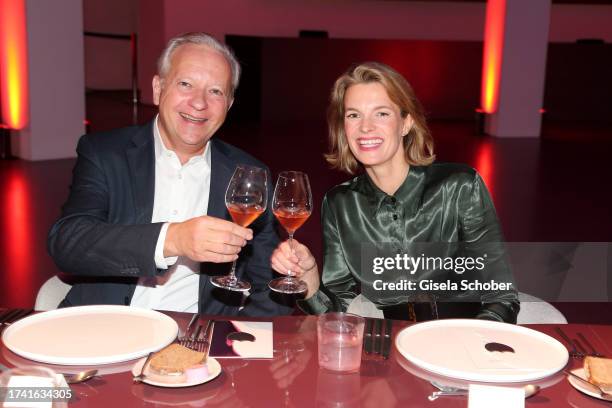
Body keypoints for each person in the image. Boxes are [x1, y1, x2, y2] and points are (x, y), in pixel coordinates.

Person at [47, 32, 290, 317]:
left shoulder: (248, 173)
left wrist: (237, 340)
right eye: (185, 84)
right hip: (104, 327)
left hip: (197, 340)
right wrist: (172, 239)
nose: (199, 103)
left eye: (215, 91)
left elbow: (266, 286)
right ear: (158, 88)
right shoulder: (105, 153)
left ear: (229, 104)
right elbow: (67, 243)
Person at [271, 62, 519, 322]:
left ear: (406, 123)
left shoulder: (459, 186)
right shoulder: (339, 204)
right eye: (353, 115)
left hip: (461, 335)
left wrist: (475, 341)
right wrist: (309, 278)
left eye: (381, 114)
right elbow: (339, 313)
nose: (365, 127)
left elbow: (501, 294)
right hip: (388, 342)